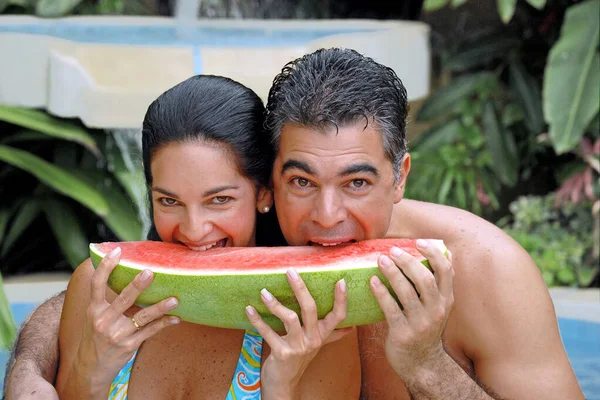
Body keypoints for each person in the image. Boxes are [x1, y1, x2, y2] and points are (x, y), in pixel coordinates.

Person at [5, 48, 584, 400]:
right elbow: (98, 290)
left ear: (400, 175)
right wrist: (30, 369)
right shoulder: (262, 235)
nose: (326, 217)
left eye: (357, 183)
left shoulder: (485, 270)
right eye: (301, 181)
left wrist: (427, 367)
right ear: (268, 184)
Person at [11, 74, 360, 400]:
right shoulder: (98, 289)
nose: (194, 229)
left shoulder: (314, 319)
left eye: (219, 200)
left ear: (264, 193)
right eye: (169, 200)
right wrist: (91, 372)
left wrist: (281, 386)